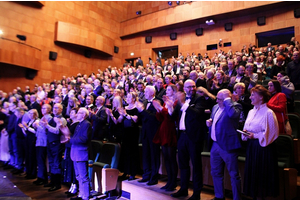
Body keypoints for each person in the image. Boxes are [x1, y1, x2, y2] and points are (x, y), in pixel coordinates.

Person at [170, 79, 206, 200]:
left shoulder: (199, 98)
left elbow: (196, 113)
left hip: (194, 137)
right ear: (184, 88)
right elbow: (173, 116)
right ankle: (183, 189)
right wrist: (170, 106)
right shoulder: (181, 101)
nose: (192, 89)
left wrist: (184, 103)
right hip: (182, 136)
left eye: (193, 86)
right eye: (189, 87)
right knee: (183, 164)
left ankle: (196, 193)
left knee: (196, 165)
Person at [242, 85, 279, 199]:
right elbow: (247, 127)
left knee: (261, 176)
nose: (250, 97)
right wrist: (246, 133)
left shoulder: (268, 113)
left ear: (261, 97)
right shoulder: (250, 112)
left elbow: (273, 133)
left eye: (253, 95)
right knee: (253, 175)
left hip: (263, 149)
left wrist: (255, 135)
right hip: (252, 147)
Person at [206, 89, 242, 200]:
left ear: (227, 98)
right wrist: (209, 123)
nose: (217, 101)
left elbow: (232, 115)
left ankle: (237, 198)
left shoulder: (235, 107)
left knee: (234, 174)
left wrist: (227, 100)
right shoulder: (215, 107)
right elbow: (214, 121)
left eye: (220, 99)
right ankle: (219, 196)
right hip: (215, 144)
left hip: (228, 145)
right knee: (215, 172)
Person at [152, 85, 178, 191]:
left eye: (168, 90)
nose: (166, 92)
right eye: (166, 90)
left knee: (171, 157)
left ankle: (173, 182)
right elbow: (161, 117)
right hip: (163, 129)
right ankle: (169, 181)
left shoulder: (175, 102)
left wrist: (162, 108)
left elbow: (171, 117)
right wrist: (158, 109)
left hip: (170, 130)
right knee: (166, 157)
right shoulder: (165, 103)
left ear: (173, 91)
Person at [136, 85, 162, 186]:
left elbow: (155, 118)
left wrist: (143, 110)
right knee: (146, 154)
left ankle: (154, 177)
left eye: (146, 92)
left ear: (152, 93)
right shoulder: (146, 102)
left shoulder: (157, 101)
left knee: (154, 155)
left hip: (154, 132)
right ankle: (146, 175)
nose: (144, 93)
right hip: (145, 132)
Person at [41, 103, 67, 192]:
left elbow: (57, 131)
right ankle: (52, 181)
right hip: (50, 143)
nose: (55, 109)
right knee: (51, 163)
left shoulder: (61, 119)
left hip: (56, 144)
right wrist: (44, 126)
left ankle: (57, 184)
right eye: (54, 108)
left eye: (57, 108)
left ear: (61, 110)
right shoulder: (52, 118)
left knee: (56, 164)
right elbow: (47, 130)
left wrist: (47, 125)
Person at [70, 107, 92, 200]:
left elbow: (84, 138)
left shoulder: (87, 124)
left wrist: (70, 139)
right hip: (76, 153)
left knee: (83, 177)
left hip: (81, 153)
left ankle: (85, 196)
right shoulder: (79, 124)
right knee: (78, 176)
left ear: (83, 115)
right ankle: (81, 195)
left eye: (78, 113)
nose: (76, 114)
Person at [118, 92, 140, 181]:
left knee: (132, 152)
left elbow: (135, 119)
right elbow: (119, 120)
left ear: (134, 99)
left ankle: (133, 173)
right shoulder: (125, 108)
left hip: (133, 132)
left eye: (129, 97)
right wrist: (119, 114)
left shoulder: (136, 108)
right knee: (125, 152)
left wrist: (126, 115)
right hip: (125, 132)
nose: (127, 98)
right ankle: (125, 171)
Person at [32, 104, 52, 186]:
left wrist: (37, 126)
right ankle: (40, 177)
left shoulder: (49, 118)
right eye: (42, 108)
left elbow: (45, 131)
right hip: (39, 141)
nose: (43, 109)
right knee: (39, 160)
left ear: (49, 109)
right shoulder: (42, 118)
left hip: (44, 142)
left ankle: (43, 178)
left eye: (45, 108)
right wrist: (35, 127)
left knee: (41, 160)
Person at [19, 109, 39, 179]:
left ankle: (33, 173)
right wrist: (23, 127)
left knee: (32, 157)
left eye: (32, 113)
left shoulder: (36, 121)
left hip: (32, 140)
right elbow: (26, 132)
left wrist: (27, 127)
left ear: (35, 114)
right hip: (27, 139)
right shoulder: (29, 121)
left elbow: (36, 131)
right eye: (29, 113)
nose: (30, 115)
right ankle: (28, 172)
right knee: (27, 156)